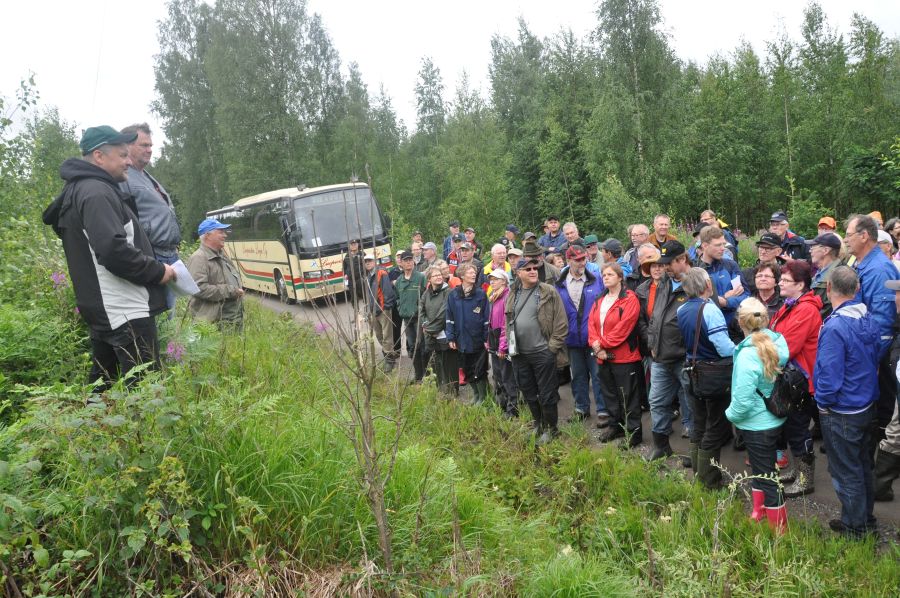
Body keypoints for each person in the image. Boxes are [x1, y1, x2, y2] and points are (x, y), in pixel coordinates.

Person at [42, 125, 175, 389]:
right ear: (99, 156)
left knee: (102, 389)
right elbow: (114, 251)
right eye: (123, 155)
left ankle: (92, 416)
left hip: (106, 308)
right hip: (125, 309)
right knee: (146, 390)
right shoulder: (96, 192)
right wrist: (160, 272)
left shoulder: (81, 190)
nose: (129, 162)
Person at [815, 266, 881, 539]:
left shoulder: (835, 327)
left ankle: (856, 530)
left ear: (829, 288)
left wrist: (823, 403)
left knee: (846, 472)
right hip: (866, 404)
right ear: (857, 289)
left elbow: (829, 374)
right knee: (862, 466)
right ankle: (863, 519)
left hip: (842, 409)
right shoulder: (868, 317)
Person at [727, 297, 790, 532]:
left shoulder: (747, 355)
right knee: (761, 468)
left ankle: (779, 531)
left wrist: (730, 415)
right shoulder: (776, 342)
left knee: (767, 478)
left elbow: (742, 400)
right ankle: (759, 511)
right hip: (774, 417)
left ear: (740, 322)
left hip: (756, 423)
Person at [845, 214, 900, 452]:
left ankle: (884, 461)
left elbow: (883, 323)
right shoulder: (860, 263)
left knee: (884, 409)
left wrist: (868, 359)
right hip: (866, 347)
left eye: (849, 235)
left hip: (877, 353)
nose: (845, 240)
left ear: (864, 236)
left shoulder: (878, 269)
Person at [677, 268, 736, 488]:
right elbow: (723, 347)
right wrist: (742, 349)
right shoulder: (709, 309)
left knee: (699, 423)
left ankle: (698, 474)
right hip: (712, 374)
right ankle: (710, 481)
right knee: (715, 426)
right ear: (708, 285)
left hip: (691, 371)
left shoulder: (682, 309)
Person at [769, 260, 822, 497]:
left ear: (800, 285)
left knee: (799, 428)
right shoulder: (791, 305)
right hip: (790, 378)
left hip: (800, 381)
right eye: (781, 279)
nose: (779, 283)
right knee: (791, 427)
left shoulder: (806, 310)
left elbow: (787, 346)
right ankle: (796, 470)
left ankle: (805, 479)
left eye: (785, 280)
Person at [505, 256, 569, 444]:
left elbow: (561, 323)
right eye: (528, 269)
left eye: (535, 268)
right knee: (528, 391)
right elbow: (508, 321)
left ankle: (552, 429)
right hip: (519, 354)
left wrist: (551, 349)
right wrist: (509, 345)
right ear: (518, 273)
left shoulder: (548, 291)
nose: (533, 271)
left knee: (547, 393)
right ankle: (538, 425)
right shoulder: (514, 292)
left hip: (542, 353)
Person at [119, 123, 181, 315]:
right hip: (151, 254)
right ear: (127, 145)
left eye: (151, 145)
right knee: (159, 313)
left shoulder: (146, 176)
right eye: (144, 145)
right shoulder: (123, 177)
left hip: (169, 254)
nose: (149, 150)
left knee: (170, 314)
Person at [645, 240, 695, 462]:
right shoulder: (664, 282)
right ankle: (661, 446)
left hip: (685, 358)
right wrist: (652, 344)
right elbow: (655, 317)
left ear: (682, 259)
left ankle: (696, 451)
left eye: (669, 263)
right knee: (657, 401)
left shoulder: (696, 282)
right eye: (663, 263)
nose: (664, 267)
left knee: (691, 404)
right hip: (660, 356)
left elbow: (702, 320)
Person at [589, 263, 643, 446]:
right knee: (610, 393)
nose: (606, 277)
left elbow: (624, 327)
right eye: (604, 275)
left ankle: (634, 433)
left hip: (624, 357)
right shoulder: (599, 299)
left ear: (620, 277)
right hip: (602, 356)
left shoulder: (629, 298)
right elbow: (591, 325)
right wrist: (596, 347)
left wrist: (602, 344)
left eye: (610, 274)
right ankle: (615, 426)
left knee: (628, 397)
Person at [555, 244, 607, 424]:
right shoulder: (559, 284)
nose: (582, 262)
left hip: (594, 339)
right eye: (577, 260)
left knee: (598, 375)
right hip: (571, 339)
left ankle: (603, 410)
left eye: (583, 258)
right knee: (577, 376)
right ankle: (581, 408)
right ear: (568, 260)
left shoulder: (596, 280)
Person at [186, 218, 244, 329]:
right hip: (215, 324)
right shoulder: (199, 258)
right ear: (208, 235)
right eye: (220, 232)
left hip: (231, 320)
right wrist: (231, 291)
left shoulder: (221, 255)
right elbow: (199, 288)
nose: (225, 235)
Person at [446, 263, 490, 404]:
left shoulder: (481, 294)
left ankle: (483, 398)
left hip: (477, 339)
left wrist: (486, 337)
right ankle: (476, 395)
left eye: (474, 272)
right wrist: (451, 337)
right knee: (467, 369)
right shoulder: (453, 294)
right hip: (461, 339)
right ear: (462, 276)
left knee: (479, 369)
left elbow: (486, 318)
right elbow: (449, 317)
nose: (473, 275)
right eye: (470, 272)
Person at [696, 226, 747, 325]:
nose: (723, 248)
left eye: (723, 244)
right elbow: (695, 303)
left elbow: (745, 296)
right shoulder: (695, 270)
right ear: (705, 246)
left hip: (733, 326)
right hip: (707, 325)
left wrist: (726, 302)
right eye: (718, 245)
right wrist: (724, 298)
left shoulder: (731, 265)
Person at [419, 265, 457, 396]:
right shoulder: (426, 293)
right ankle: (440, 389)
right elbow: (421, 310)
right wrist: (426, 324)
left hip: (445, 333)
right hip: (431, 335)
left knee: (449, 363)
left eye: (439, 274)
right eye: (435, 275)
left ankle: (452, 391)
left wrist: (430, 329)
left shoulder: (449, 292)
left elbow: (443, 313)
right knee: (436, 362)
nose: (438, 277)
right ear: (429, 279)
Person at [486, 269, 517, 417]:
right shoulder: (493, 296)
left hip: (503, 340)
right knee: (497, 375)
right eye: (491, 280)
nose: (492, 282)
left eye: (496, 279)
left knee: (507, 376)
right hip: (493, 338)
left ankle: (513, 409)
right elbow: (490, 321)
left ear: (504, 281)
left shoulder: (507, 297)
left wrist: (503, 347)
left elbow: (506, 324)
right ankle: (501, 405)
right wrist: (488, 341)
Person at [363, 252, 399, 372]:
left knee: (387, 336)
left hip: (383, 309)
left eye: (370, 261)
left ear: (375, 262)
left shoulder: (381, 273)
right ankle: (389, 354)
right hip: (372, 311)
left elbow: (388, 291)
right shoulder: (367, 276)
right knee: (379, 335)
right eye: (366, 261)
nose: (368, 263)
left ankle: (389, 361)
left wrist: (386, 307)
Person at [395, 250, 427, 382]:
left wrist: (421, 311)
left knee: (422, 346)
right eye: (406, 260)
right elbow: (397, 298)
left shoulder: (420, 277)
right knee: (412, 347)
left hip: (419, 318)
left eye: (410, 260)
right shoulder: (399, 280)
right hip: (406, 319)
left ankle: (427, 376)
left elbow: (426, 296)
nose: (408, 262)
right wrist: (401, 308)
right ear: (401, 263)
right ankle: (418, 375)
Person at [807, 232, 843, 318]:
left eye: (813, 247)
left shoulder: (839, 276)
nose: (810, 251)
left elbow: (827, 311)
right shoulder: (821, 273)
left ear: (826, 250)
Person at [343, 239, 366, 304]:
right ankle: (356, 309)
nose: (353, 246)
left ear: (357, 245)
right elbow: (344, 267)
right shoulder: (347, 256)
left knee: (365, 295)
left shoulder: (362, 254)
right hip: (351, 281)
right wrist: (345, 274)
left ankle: (368, 308)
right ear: (349, 246)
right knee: (354, 298)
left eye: (355, 244)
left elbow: (366, 265)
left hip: (361, 279)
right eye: (352, 244)